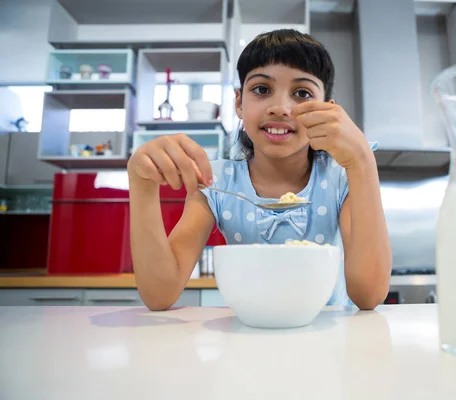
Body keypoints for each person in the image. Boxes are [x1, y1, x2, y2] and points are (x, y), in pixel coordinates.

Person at [128, 29, 391, 311]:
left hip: (330, 340)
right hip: (246, 341)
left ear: (328, 111)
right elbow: (159, 294)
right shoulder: (215, 183)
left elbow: (369, 294)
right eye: (262, 89)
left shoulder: (341, 178)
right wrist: (141, 183)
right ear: (239, 103)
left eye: (302, 93)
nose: (280, 107)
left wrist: (362, 160)